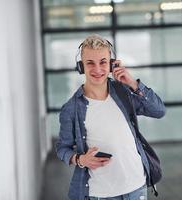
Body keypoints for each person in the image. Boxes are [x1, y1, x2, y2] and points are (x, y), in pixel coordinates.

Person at [56, 34, 166, 200]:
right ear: (81, 67)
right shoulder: (71, 109)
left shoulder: (124, 93)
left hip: (137, 188)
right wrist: (80, 159)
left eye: (103, 62)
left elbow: (158, 111)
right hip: (100, 194)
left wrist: (133, 83)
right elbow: (62, 148)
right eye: (90, 63)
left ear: (111, 64)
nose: (98, 69)